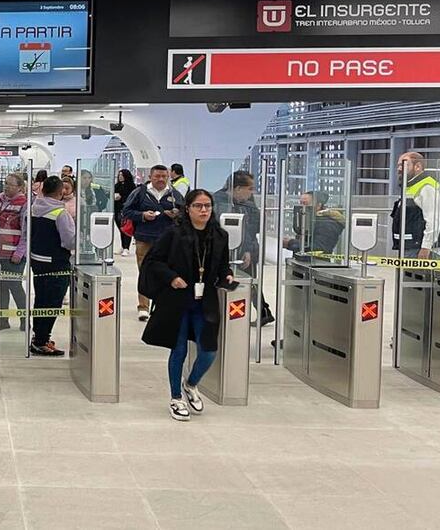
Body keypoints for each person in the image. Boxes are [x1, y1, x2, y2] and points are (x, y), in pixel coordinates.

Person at [140, 189, 234, 422]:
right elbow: (153, 262)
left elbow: (223, 265)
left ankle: (191, 383)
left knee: (209, 350)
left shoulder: (220, 236)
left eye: (208, 206)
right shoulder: (173, 234)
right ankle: (175, 397)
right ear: (188, 209)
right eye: (198, 206)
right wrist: (171, 277)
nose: (204, 210)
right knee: (179, 348)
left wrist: (228, 275)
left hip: (205, 301)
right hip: (178, 300)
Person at [122, 165, 183, 321]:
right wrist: (142, 215)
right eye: (157, 176)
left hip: (167, 240)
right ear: (150, 176)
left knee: (167, 272)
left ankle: (162, 305)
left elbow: (184, 213)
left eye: (164, 176)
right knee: (145, 272)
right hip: (145, 238)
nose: (161, 179)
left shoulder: (174, 194)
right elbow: (126, 211)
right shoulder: (140, 193)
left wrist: (176, 214)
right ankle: (143, 307)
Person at [214, 170, 272, 327]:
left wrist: (248, 249)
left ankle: (261, 312)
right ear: (238, 188)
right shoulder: (218, 201)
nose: (252, 192)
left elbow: (253, 227)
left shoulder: (247, 203)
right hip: (224, 251)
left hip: (245, 250)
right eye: (250, 188)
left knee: (249, 281)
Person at [30, 176, 76, 356]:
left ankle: (39, 337)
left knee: (41, 300)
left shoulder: (34, 208)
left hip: (37, 261)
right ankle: (41, 341)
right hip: (57, 264)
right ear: (59, 192)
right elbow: (69, 241)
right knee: (53, 303)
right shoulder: (60, 213)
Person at [0, 172, 29, 331]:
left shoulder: (25, 203)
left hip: (15, 254)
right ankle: (3, 319)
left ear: (20, 187)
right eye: (5, 183)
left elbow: (27, 231)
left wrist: (19, 252)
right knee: (2, 287)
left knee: (15, 286)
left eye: (10, 184)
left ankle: (24, 319)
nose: (6, 187)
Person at [392, 151, 440, 259]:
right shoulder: (409, 186)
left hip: (419, 249)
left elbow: (433, 219)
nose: (399, 169)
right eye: (398, 165)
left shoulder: (427, 187)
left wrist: (426, 247)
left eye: (403, 165)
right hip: (410, 247)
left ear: (417, 167)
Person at [284, 191, 345, 255]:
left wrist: (290, 243)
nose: (301, 207)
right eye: (300, 203)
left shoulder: (327, 224)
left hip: (318, 263)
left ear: (318, 205)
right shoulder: (311, 220)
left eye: (305, 204)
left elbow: (320, 249)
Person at [113, 169, 136, 256]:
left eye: (122, 175)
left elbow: (132, 198)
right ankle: (123, 246)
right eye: (119, 175)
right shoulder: (116, 186)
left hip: (126, 211)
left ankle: (127, 248)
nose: (120, 177)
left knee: (127, 229)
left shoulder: (131, 186)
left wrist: (121, 198)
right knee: (121, 229)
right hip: (117, 209)